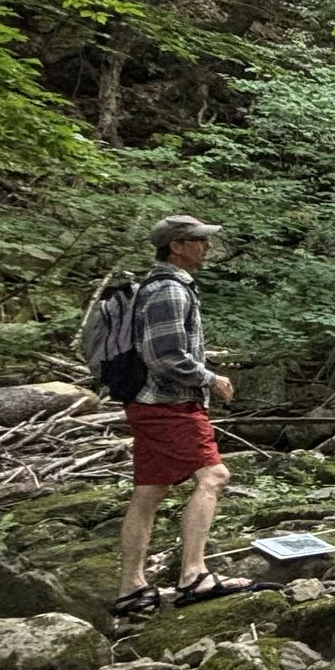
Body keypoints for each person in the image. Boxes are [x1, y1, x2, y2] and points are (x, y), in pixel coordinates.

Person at [117, 214, 235, 610]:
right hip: (169, 403)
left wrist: (205, 359)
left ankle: (131, 587)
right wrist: (210, 378)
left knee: (149, 492)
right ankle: (193, 575)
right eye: (198, 240)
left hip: (148, 403)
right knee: (214, 476)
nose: (206, 246)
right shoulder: (169, 289)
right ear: (176, 247)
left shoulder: (160, 286)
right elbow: (164, 356)